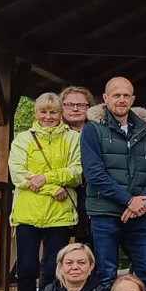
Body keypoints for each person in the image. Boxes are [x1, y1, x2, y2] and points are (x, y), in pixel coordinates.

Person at [7, 92, 83, 291]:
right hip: (28, 212)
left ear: (60, 114)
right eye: (43, 112)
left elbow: (77, 172)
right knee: (27, 267)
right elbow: (18, 174)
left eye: (53, 112)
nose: (48, 117)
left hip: (60, 214)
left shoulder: (72, 138)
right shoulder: (23, 139)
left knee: (52, 267)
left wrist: (46, 178)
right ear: (36, 113)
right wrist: (52, 187)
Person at [82, 77, 146, 291]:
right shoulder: (92, 129)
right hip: (104, 214)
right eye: (116, 95)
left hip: (138, 214)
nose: (121, 99)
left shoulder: (145, 130)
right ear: (106, 98)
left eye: (126, 95)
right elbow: (94, 173)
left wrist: (143, 200)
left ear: (133, 99)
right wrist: (129, 200)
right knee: (106, 275)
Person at [59, 86, 96, 243]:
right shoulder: (53, 133)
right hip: (63, 193)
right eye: (69, 105)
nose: (75, 109)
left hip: (93, 193)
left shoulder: (98, 132)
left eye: (81, 105)